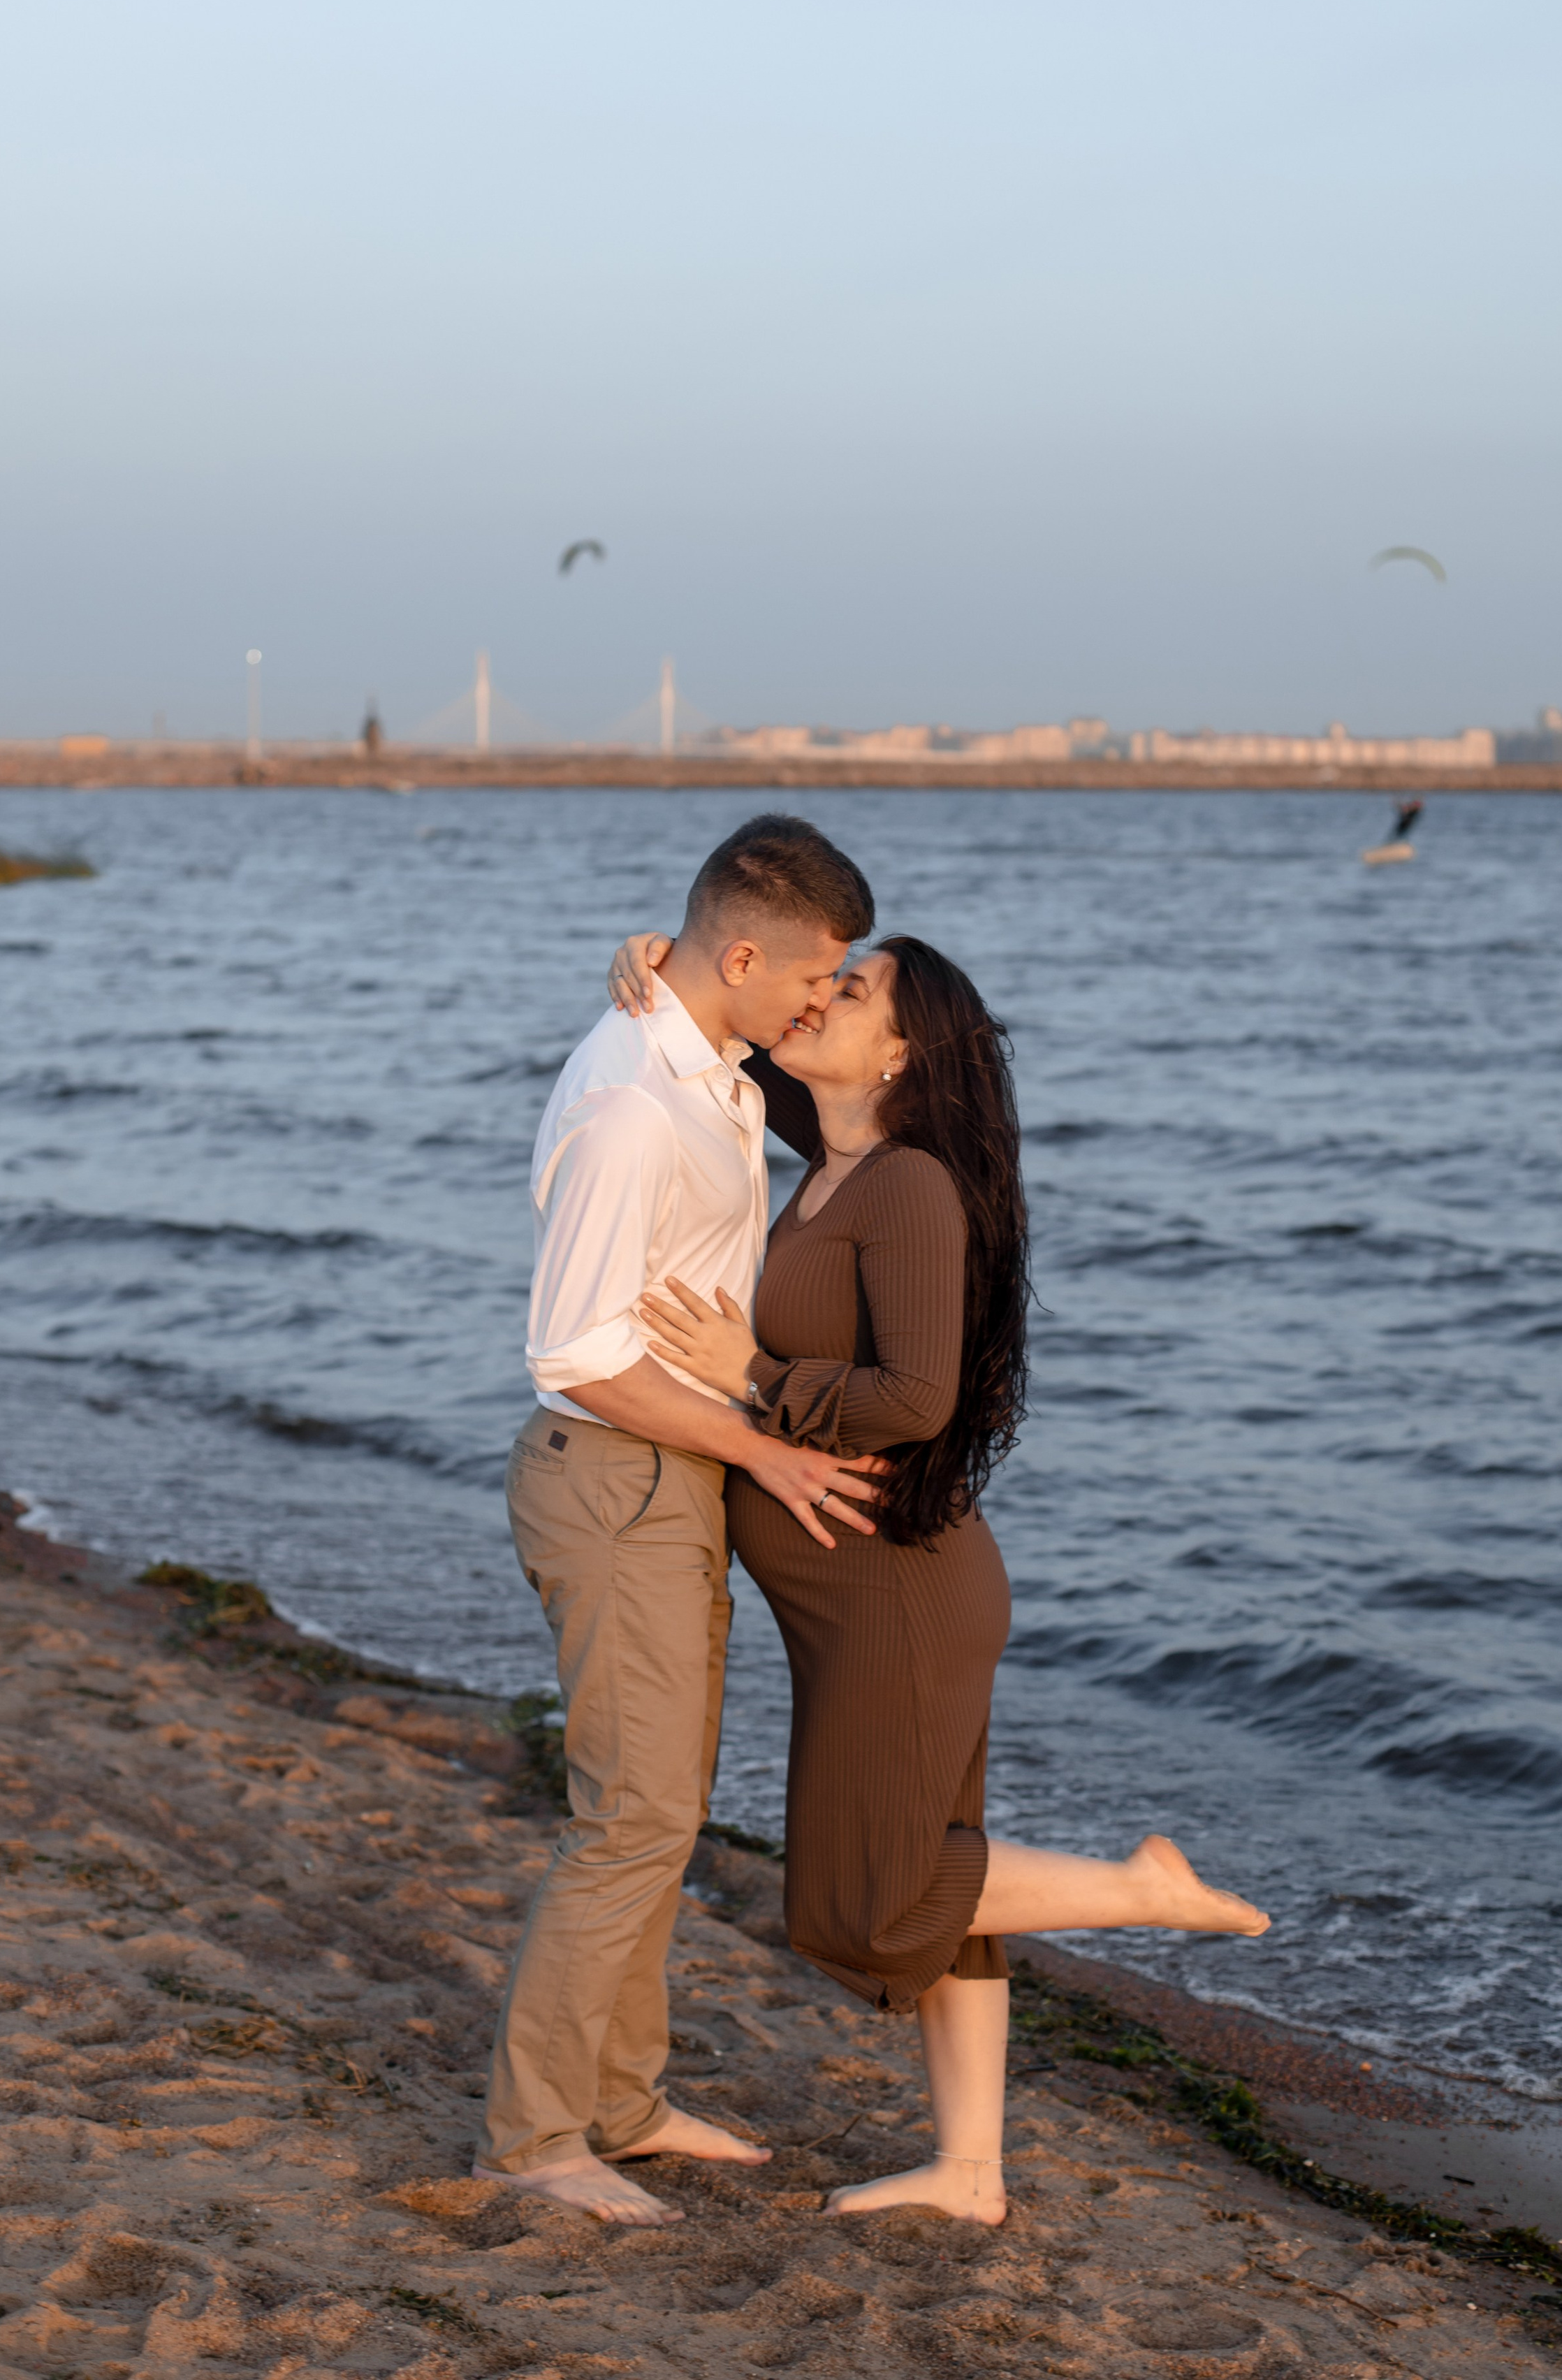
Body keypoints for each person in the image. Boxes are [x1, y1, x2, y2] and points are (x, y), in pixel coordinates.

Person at [609, 927, 1269, 2224]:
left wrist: (754, 1373)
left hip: (898, 1594)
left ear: (902, 1052)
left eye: (850, 989)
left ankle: (1144, 1890)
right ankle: (971, 2170)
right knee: (944, 1871)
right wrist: (664, 971)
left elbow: (915, 1398)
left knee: (865, 1900)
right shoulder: (837, 1164)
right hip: (868, 1592)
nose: (819, 993)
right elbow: (726, 1046)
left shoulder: (905, 1185)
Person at [475, 814, 893, 2228]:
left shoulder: (700, 1056)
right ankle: (535, 2140)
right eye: (812, 975)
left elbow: (727, 1015)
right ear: (742, 954)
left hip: (668, 1480)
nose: (820, 1000)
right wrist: (760, 1451)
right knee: (631, 1816)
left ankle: (623, 2101)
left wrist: (648, 967)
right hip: (614, 1477)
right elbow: (576, 1352)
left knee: (663, 1812)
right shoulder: (632, 1109)